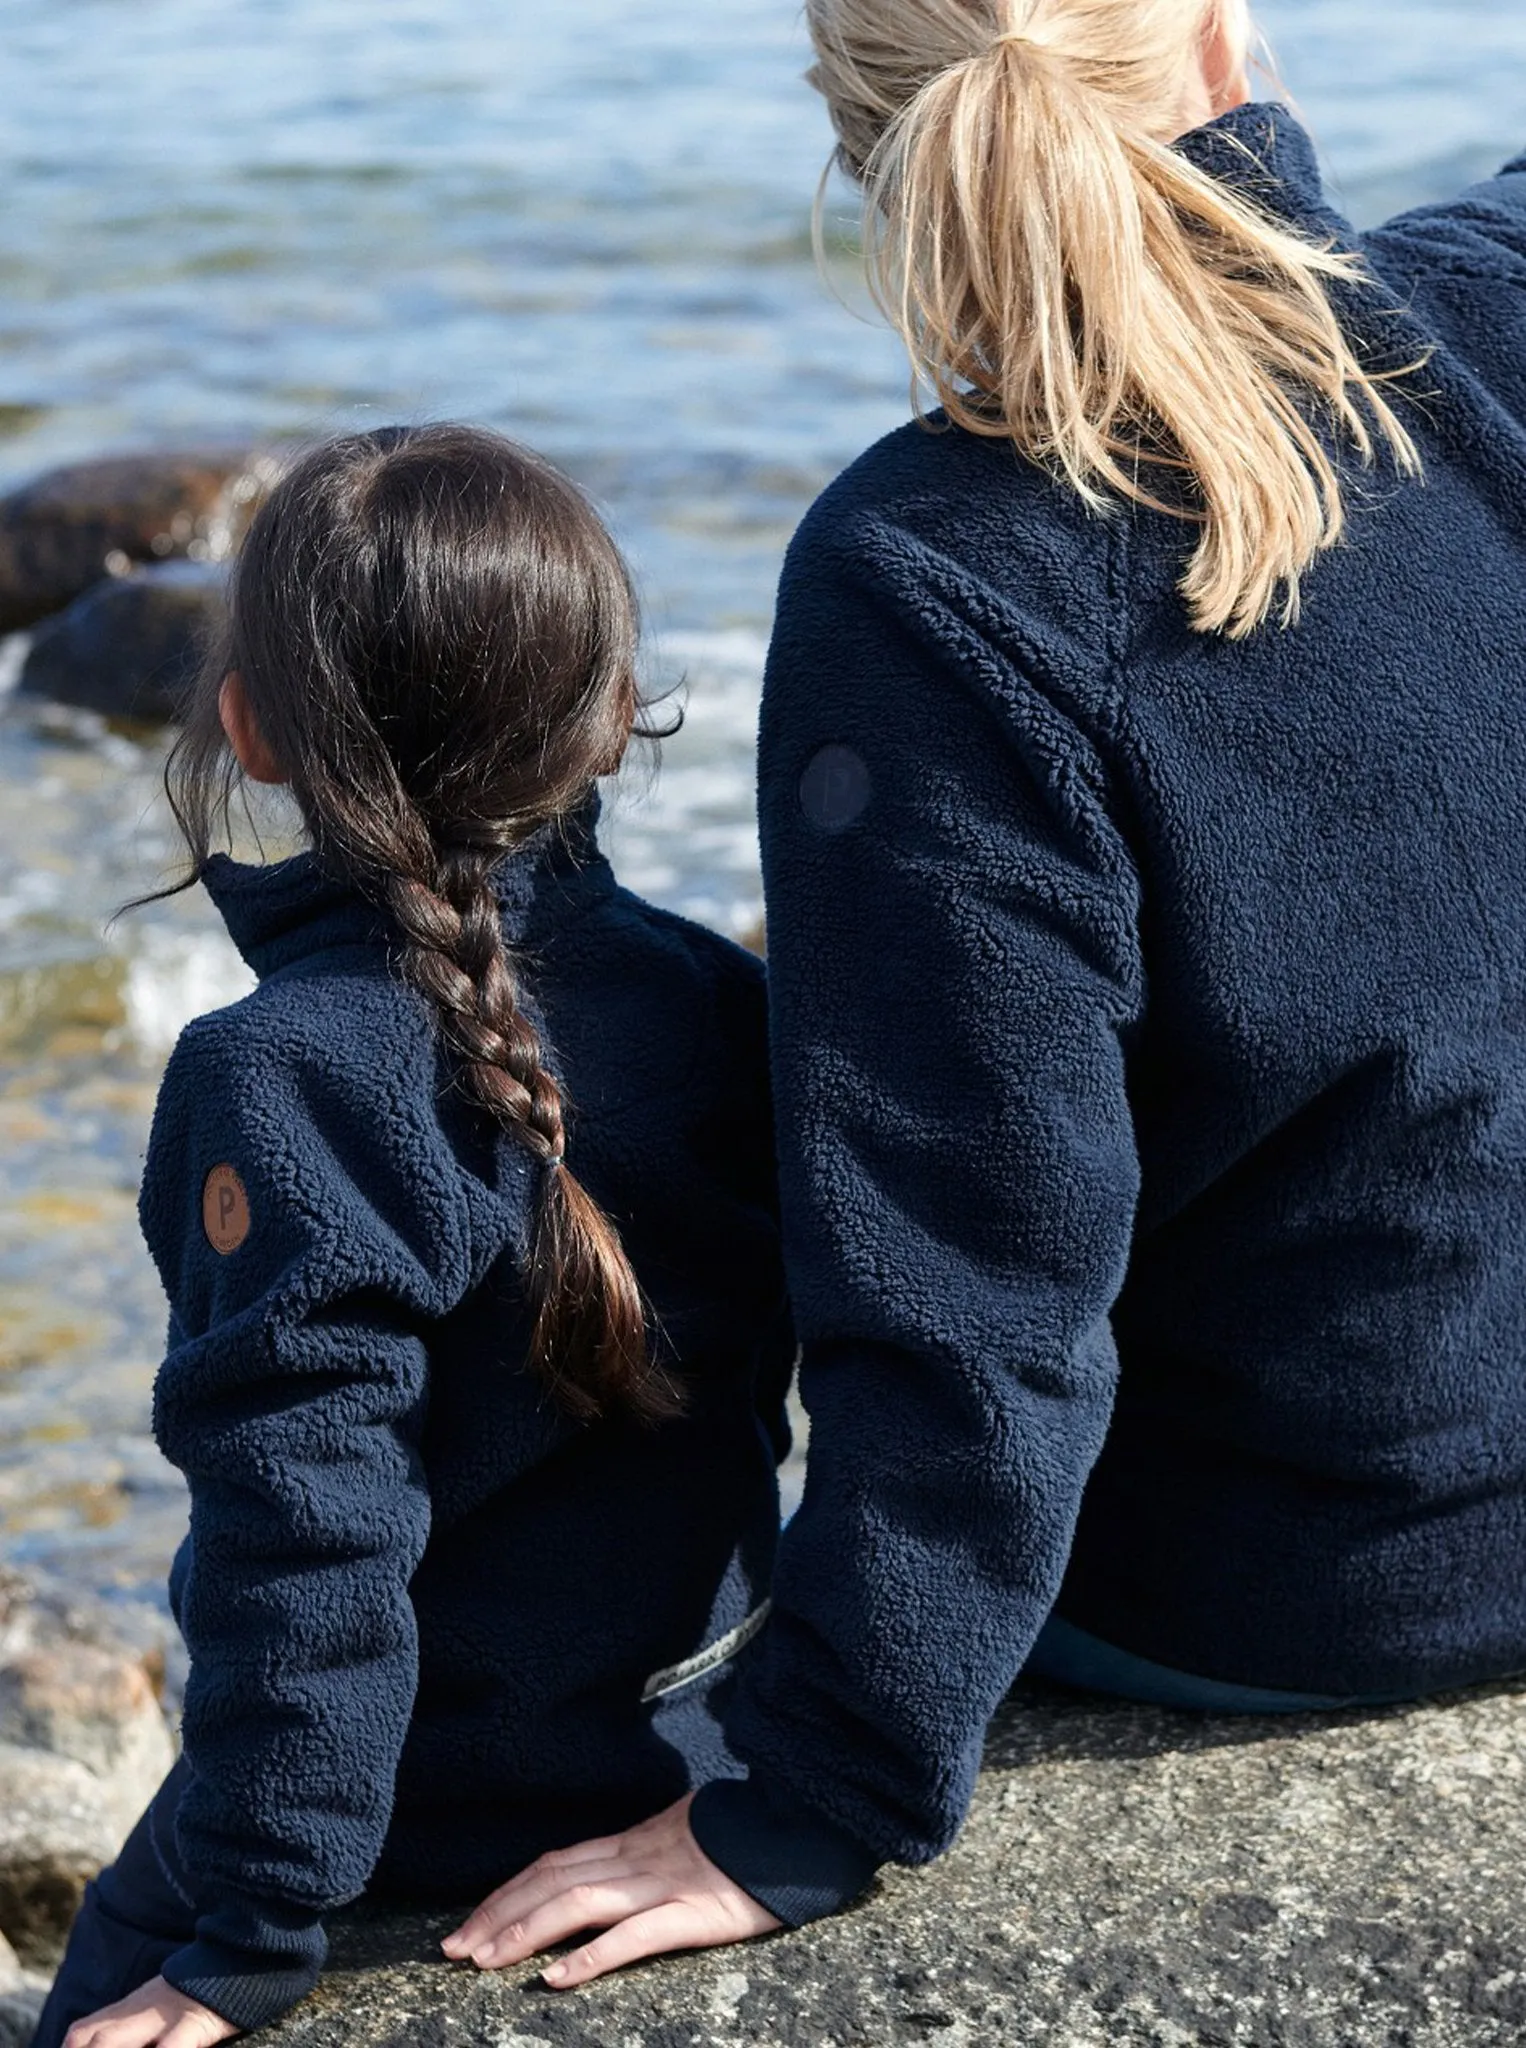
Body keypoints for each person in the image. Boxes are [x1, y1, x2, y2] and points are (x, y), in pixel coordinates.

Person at [444, 0, 1526, 1989]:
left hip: (1303, 1584)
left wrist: (814, 1787)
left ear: (852, 125)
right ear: (1220, 35)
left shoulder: (926, 573)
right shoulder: (1476, 324)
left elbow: (970, 1276)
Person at [33, 423, 794, 2047]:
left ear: (246, 728)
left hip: (433, 1805)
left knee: (98, 1970)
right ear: (607, 724)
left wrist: (250, 1924)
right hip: (701, 1740)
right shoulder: (725, 1001)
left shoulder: (282, 1072)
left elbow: (306, 1547)